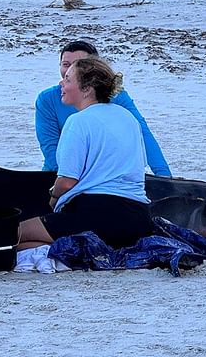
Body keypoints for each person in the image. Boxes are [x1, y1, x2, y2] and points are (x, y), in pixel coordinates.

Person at [18, 57, 155, 251]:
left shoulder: (78, 121)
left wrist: (52, 199)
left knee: (12, 233)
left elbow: (67, 182)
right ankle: (75, 252)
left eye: (67, 79)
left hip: (97, 214)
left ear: (87, 89)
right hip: (139, 219)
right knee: (40, 242)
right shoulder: (127, 117)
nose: (61, 84)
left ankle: (73, 254)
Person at [35, 40, 172, 176]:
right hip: (61, 175)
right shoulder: (48, 99)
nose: (70, 70)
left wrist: (164, 176)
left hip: (106, 175)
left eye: (79, 64)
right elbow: (51, 148)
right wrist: (71, 181)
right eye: (66, 64)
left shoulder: (116, 96)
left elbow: (143, 134)